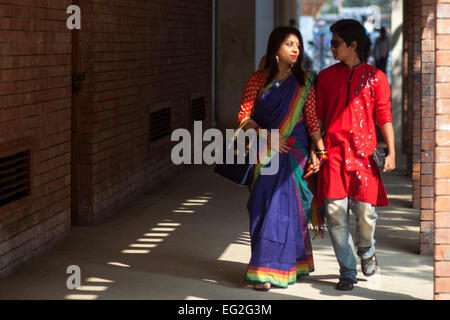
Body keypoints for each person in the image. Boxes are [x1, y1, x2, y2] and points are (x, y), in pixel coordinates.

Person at [237, 26, 326, 291]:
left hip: (294, 153)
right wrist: (266, 135)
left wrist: (320, 151)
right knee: (263, 208)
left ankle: (269, 271)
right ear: (275, 49)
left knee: (284, 210)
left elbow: (311, 121)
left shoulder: (306, 81)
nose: (295, 49)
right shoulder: (257, 80)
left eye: (297, 44)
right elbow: (243, 118)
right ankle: (273, 264)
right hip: (265, 152)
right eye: (289, 44)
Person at [315, 19, 396, 291]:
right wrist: (316, 151)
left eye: (336, 43)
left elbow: (384, 115)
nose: (331, 47)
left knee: (365, 213)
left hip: (365, 155)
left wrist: (391, 151)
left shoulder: (376, 77)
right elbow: (319, 118)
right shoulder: (325, 77)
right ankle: (347, 270)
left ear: (353, 45)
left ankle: (366, 249)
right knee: (335, 214)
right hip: (333, 153)